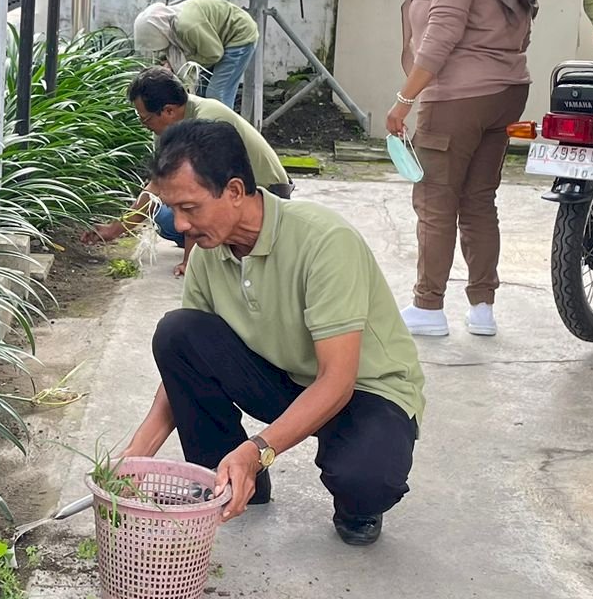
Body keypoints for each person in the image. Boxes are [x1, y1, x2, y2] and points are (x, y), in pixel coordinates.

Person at [118, 119, 425, 546]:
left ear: (235, 191)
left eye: (190, 208)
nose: (181, 225)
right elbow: (184, 365)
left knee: (364, 480)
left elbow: (338, 379)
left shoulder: (324, 240)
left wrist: (258, 450)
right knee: (178, 332)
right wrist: (135, 455)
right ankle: (227, 479)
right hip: (284, 378)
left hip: (362, 388)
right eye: (174, 210)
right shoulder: (210, 250)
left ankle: (351, 500)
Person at [386, 0, 539, 340]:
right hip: (506, 91)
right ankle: (482, 307)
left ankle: (428, 306)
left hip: (459, 97)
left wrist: (404, 99)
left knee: (435, 200)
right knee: (478, 201)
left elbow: (443, 32)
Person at [88, 67, 292, 276]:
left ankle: (222, 245)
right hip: (224, 194)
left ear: (168, 110)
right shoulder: (173, 125)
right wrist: (114, 229)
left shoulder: (207, 121)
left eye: (146, 119)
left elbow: (201, 194)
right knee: (163, 217)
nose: (144, 126)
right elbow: (156, 187)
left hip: (265, 196)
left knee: (183, 211)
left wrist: (190, 263)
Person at [132, 0, 258, 109]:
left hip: (238, 35)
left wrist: (183, 64)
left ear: (157, 33)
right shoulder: (168, 26)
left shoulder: (186, 27)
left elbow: (214, 54)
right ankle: (204, 125)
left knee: (216, 93)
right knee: (200, 92)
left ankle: (223, 126)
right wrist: (167, 62)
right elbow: (170, 51)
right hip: (217, 42)